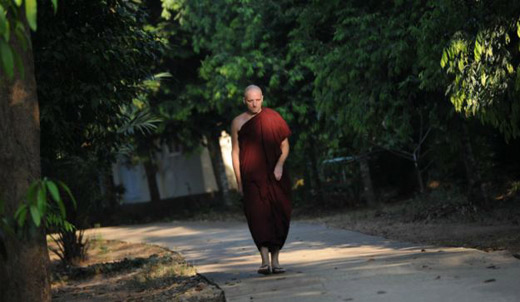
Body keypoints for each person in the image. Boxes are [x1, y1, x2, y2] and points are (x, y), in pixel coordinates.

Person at [231, 84, 292, 275]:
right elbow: (235, 152)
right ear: (244, 101)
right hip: (252, 179)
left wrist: (280, 164)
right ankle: (264, 261)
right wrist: (239, 181)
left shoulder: (273, 117)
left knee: (279, 215)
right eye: (250, 100)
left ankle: (276, 260)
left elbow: (285, 145)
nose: (254, 104)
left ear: (262, 98)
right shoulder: (238, 122)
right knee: (257, 218)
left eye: (257, 99)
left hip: (276, 176)